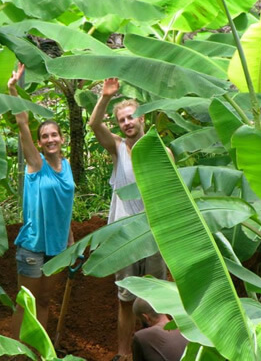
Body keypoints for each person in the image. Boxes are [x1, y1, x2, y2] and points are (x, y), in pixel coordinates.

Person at [89, 78, 168, 361]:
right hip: (123, 237)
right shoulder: (118, 149)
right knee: (125, 300)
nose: (126, 123)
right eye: (122, 120)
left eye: (130, 117)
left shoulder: (162, 152)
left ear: (142, 117)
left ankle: (157, 351)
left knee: (157, 299)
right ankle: (124, 355)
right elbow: (95, 126)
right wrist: (105, 97)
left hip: (153, 235)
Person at [8, 63, 75, 336]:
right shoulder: (36, 164)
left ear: (62, 138)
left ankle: (41, 354)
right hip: (33, 247)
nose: (50, 139)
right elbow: (23, 123)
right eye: (44, 136)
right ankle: (16, 353)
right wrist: (13, 90)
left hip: (58, 247)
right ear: (39, 142)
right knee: (27, 304)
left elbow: (64, 205)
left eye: (54, 135)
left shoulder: (67, 166)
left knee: (46, 302)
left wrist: (70, 239)